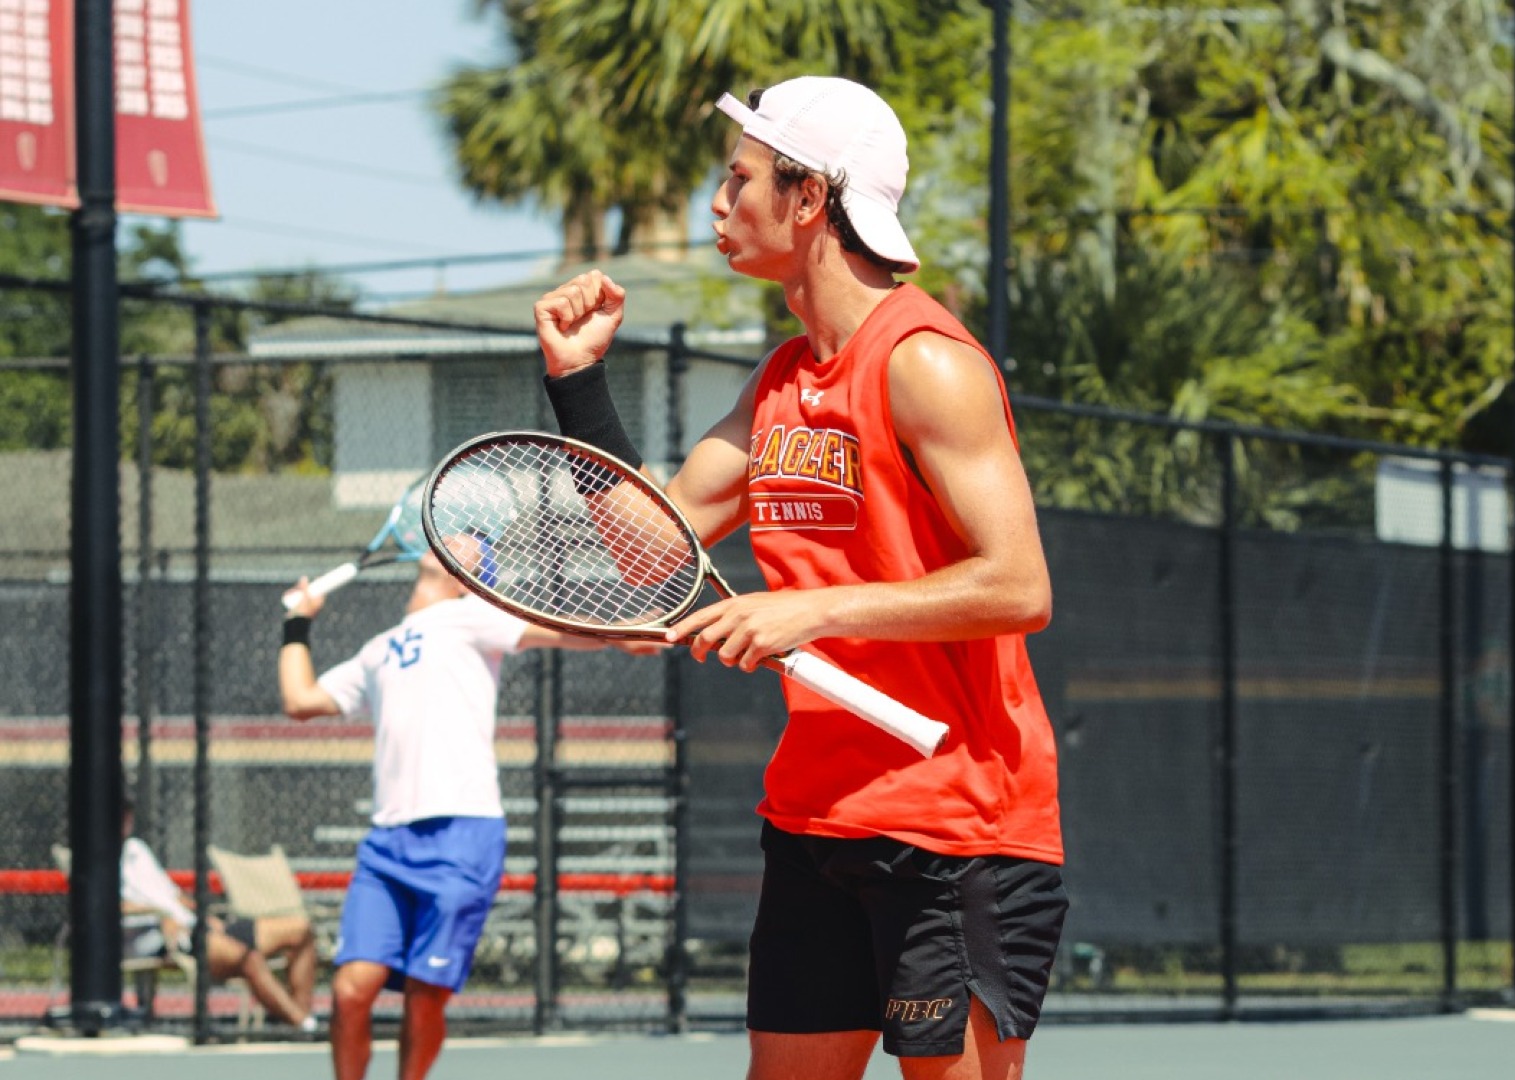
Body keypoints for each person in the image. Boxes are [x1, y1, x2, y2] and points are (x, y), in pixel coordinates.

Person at [534, 75, 1068, 1080]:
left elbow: (1019, 586)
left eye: (739, 180)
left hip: (957, 823)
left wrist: (808, 611)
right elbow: (653, 553)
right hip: (816, 818)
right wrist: (577, 383)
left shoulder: (925, 363)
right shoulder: (779, 381)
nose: (717, 203)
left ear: (809, 196)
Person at [277, 534, 610, 1080]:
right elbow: (301, 700)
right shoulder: (379, 647)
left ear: (469, 579)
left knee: (424, 996)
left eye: (471, 541)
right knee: (350, 990)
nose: (451, 534)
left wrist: (628, 635)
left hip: (463, 836)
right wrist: (298, 624)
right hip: (387, 843)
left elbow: (568, 632)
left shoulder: (475, 615)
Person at [118, 802, 321, 1034]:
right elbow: (107, 906)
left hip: (198, 926)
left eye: (127, 815)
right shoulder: (95, 860)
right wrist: (164, 915)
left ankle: (300, 1017)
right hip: (169, 938)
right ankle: (304, 1025)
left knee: (300, 930)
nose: (125, 822)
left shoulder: (136, 849)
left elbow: (174, 894)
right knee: (248, 958)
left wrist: (202, 914)